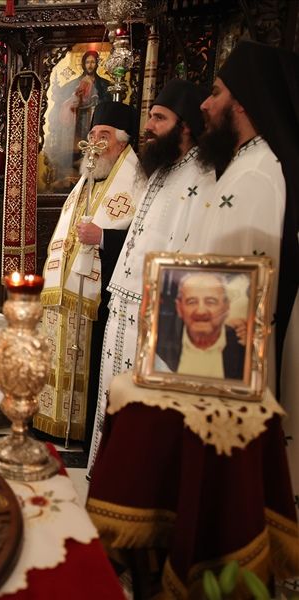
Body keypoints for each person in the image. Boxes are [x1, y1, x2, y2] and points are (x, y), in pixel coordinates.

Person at [180, 41, 299, 495]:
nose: (204, 104)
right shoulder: (242, 164)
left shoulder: (258, 172)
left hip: (225, 365)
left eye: (215, 92)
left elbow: (246, 293)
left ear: (242, 102)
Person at [89, 80, 215, 468]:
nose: (149, 126)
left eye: (159, 118)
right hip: (124, 305)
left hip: (157, 315)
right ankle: (107, 479)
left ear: (185, 125)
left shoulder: (202, 178)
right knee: (115, 403)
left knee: (143, 418)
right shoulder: (158, 169)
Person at [37, 101, 143, 443]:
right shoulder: (89, 178)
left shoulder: (137, 181)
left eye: (104, 135)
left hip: (100, 294)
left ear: (122, 142)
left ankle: (80, 428)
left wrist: (104, 238)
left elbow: (143, 240)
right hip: (67, 290)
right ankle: (50, 419)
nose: (95, 143)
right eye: (93, 134)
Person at [155, 273, 245, 378]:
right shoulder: (159, 342)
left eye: (210, 302)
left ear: (226, 306)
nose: (201, 311)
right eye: (192, 302)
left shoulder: (242, 345)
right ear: (179, 307)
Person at [47, 51, 113, 189]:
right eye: (88, 62)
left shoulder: (103, 84)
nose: (90, 65)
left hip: (94, 119)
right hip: (79, 119)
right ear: (83, 64)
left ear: (97, 64)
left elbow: (106, 101)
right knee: (78, 144)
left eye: (93, 62)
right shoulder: (75, 83)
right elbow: (64, 96)